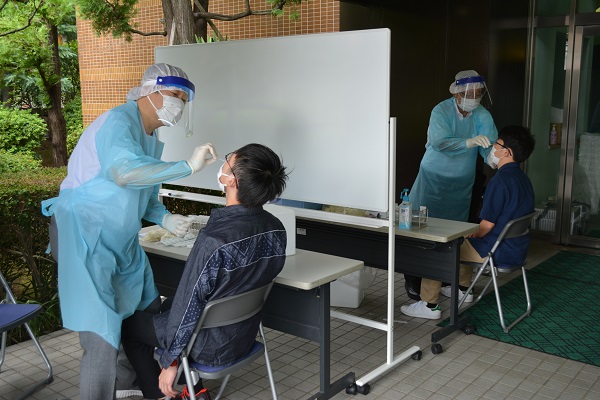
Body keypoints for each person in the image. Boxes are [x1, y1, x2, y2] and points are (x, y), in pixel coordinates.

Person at [40, 63, 218, 399]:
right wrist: (188, 167)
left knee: (147, 313)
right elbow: (124, 173)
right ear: (150, 91)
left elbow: (145, 193)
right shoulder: (118, 121)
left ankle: (131, 390)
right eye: (174, 94)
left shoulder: (152, 138)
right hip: (85, 237)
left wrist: (164, 218)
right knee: (103, 338)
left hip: (121, 243)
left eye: (183, 98)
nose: (179, 104)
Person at [121, 143, 289, 399]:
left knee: (127, 325)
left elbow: (189, 306)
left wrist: (171, 361)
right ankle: (194, 387)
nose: (223, 162)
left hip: (205, 346)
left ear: (232, 180)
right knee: (168, 308)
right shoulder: (276, 228)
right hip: (242, 337)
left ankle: (159, 393)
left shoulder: (214, 241)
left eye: (228, 160)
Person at [401, 125, 535, 319]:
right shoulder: (523, 179)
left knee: (440, 246)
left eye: (496, 144)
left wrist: (472, 233)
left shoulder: (500, 181)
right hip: (517, 248)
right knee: (463, 239)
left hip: (497, 250)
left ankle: (429, 304)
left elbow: (486, 226)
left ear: (506, 152)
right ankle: (463, 289)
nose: (492, 150)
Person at [404, 70, 499, 300]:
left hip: (461, 184)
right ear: (457, 94)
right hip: (433, 179)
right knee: (422, 231)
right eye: (469, 93)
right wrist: (467, 142)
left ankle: (449, 281)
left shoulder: (481, 114)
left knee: (455, 234)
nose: (473, 98)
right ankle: (415, 281)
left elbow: (489, 144)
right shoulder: (441, 110)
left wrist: (496, 159)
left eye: (478, 93)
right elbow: (439, 141)